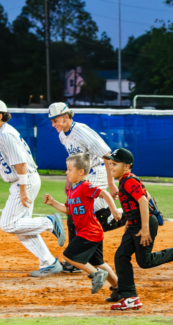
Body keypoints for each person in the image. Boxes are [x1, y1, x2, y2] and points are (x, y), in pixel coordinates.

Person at [0, 99, 67, 277]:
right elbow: (7, 164)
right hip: (25, 179)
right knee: (22, 228)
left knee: (8, 224)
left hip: (25, 180)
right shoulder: (3, 133)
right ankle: (49, 262)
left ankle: (49, 222)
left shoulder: (5, 135)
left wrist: (22, 191)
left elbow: (20, 164)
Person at [103, 148, 173, 310]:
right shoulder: (125, 179)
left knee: (144, 261)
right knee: (121, 256)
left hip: (143, 224)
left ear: (126, 166)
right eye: (110, 163)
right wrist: (129, 221)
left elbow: (143, 202)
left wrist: (145, 228)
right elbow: (138, 201)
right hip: (134, 223)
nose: (111, 167)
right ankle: (129, 296)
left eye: (115, 164)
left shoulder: (129, 180)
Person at [47, 102, 121, 273]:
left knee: (94, 216)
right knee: (75, 212)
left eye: (55, 120)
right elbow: (73, 157)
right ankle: (76, 259)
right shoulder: (63, 135)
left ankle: (130, 214)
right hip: (81, 174)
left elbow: (107, 154)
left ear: (66, 117)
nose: (53, 124)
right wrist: (69, 178)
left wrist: (111, 183)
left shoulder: (81, 131)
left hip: (97, 172)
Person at [42, 153, 121, 295]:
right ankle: (118, 287)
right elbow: (69, 210)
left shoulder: (85, 186)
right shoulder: (73, 189)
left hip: (89, 232)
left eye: (69, 169)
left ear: (81, 172)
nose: (66, 172)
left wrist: (114, 209)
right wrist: (53, 203)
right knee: (99, 263)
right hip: (92, 233)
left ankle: (96, 274)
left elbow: (104, 193)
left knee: (69, 256)